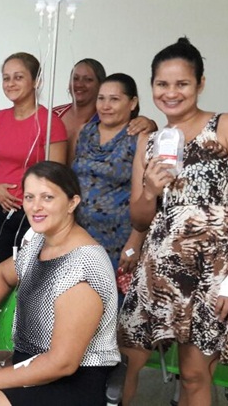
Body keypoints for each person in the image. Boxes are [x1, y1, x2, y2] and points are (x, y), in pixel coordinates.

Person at [118, 38, 228, 406]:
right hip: (157, 267)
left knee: (194, 375)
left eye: (182, 83)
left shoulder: (227, 127)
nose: (171, 93)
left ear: (200, 83)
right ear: (151, 86)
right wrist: (150, 190)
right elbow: (140, 218)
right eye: (162, 84)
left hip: (213, 272)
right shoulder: (148, 142)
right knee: (124, 360)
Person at [0, 161, 120, 406]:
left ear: (72, 203)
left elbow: (62, 364)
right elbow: (1, 275)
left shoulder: (83, 267)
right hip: (29, 366)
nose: (36, 206)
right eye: (29, 197)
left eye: (48, 197)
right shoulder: (40, 241)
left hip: (70, 383)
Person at [71, 73, 148, 306]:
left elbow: (148, 196)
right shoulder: (85, 132)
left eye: (114, 99)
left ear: (132, 103)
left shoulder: (141, 137)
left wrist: (135, 241)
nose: (105, 106)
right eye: (101, 98)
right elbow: (70, 179)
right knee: (79, 302)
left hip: (119, 241)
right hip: (80, 236)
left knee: (111, 305)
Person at [0, 53, 67, 263]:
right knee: (5, 270)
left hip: (34, 215)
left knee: (30, 273)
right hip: (3, 210)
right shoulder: (0, 118)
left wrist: (31, 201)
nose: (11, 83)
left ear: (36, 81)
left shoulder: (50, 123)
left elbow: (57, 177)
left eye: (18, 77)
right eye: (6, 78)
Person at [53, 59, 155, 164]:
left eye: (88, 80)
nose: (79, 84)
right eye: (75, 78)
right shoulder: (55, 116)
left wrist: (151, 124)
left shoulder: (113, 120)